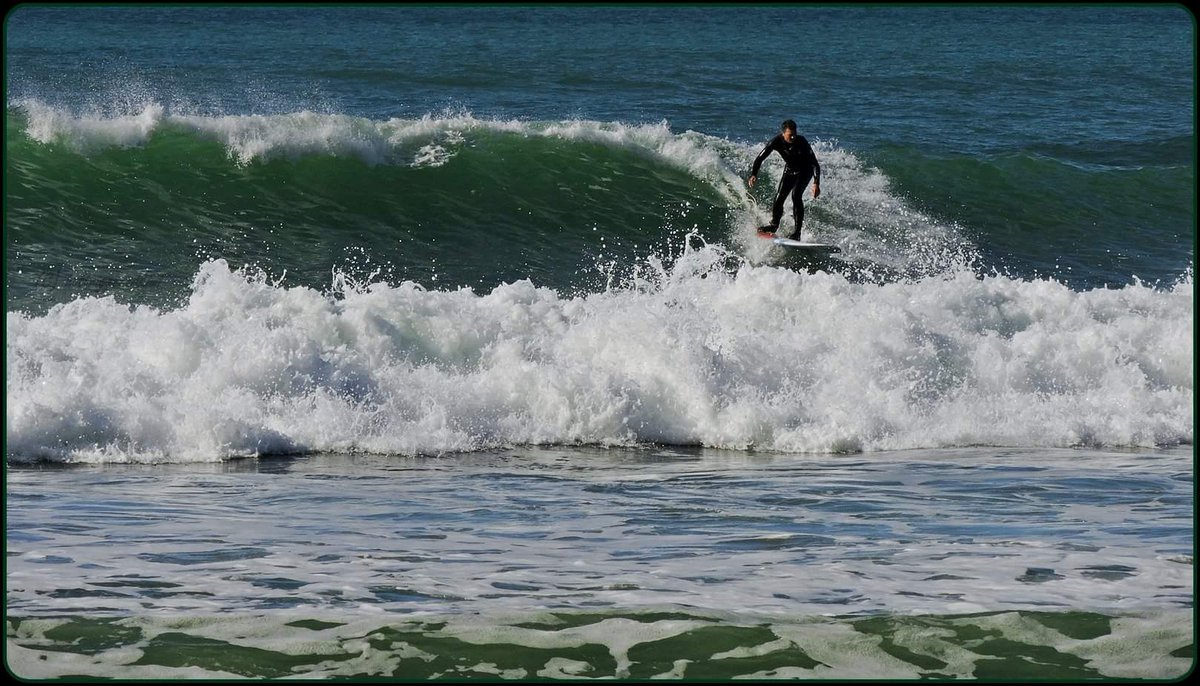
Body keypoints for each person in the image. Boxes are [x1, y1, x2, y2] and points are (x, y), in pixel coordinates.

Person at [748, 119, 821, 239]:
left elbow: (815, 164)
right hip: (790, 170)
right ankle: (774, 225)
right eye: (790, 135)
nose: (793, 137)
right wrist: (754, 174)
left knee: (796, 195)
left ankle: (797, 233)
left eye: (794, 134)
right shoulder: (776, 142)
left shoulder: (802, 141)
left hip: (805, 171)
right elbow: (760, 158)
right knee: (779, 197)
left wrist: (816, 183)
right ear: (783, 134)